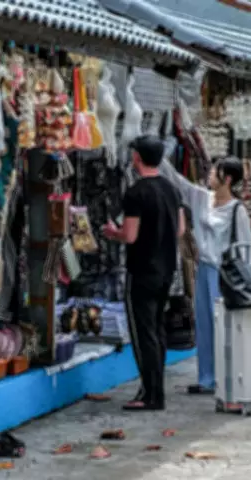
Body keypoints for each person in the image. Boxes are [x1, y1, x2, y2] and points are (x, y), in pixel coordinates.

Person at [102, 135, 184, 411]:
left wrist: (113, 233)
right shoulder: (172, 190)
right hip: (166, 268)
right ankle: (154, 389)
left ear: (136, 157)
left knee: (142, 332)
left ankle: (150, 394)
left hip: (142, 269)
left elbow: (130, 235)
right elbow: (181, 229)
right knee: (157, 329)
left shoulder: (136, 193)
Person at [159, 156, 251, 396]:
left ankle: (228, 376)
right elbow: (178, 182)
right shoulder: (202, 199)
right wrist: (158, 157)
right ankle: (207, 378)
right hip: (204, 269)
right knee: (204, 324)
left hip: (225, 273)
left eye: (215, 172)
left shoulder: (237, 210)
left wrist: (246, 282)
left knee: (224, 325)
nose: (209, 174)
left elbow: (245, 247)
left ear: (227, 179)